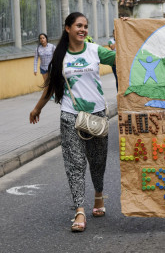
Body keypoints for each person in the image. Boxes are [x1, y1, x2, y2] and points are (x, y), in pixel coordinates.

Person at [29, 12, 116, 232]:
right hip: (70, 116)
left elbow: (121, 56)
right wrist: (37, 108)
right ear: (67, 28)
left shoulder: (95, 51)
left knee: (97, 162)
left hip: (96, 116)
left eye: (85, 26)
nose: (83, 29)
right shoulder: (59, 57)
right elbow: (50, 88)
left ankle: (98, 196)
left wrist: (124, 33)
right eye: (78, 25)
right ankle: (79, 210)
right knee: (75, 165)